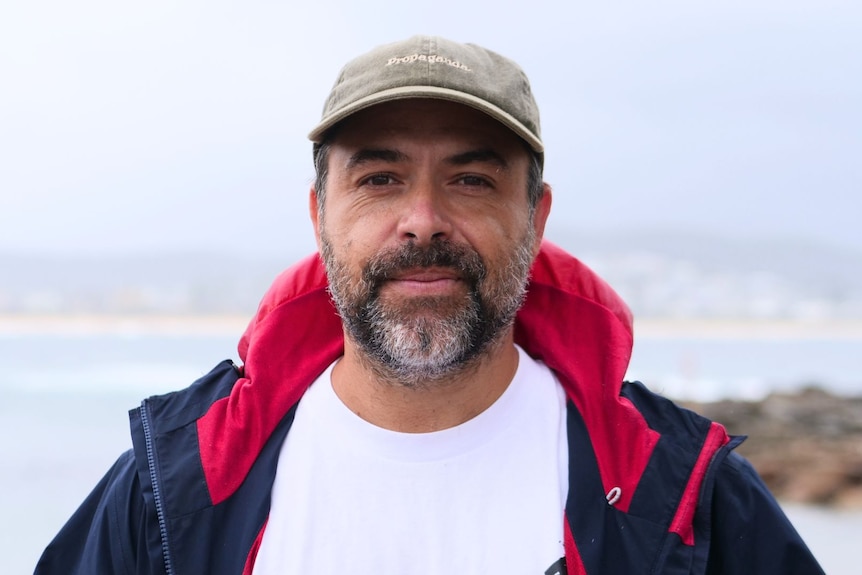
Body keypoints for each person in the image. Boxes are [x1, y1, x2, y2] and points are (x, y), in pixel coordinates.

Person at [36, 35, 823, 575]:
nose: (422, 219)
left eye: (470, 180)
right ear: (318, 215)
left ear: (537, 219)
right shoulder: (172, 490)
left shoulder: (685, 494)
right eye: (379, 179)